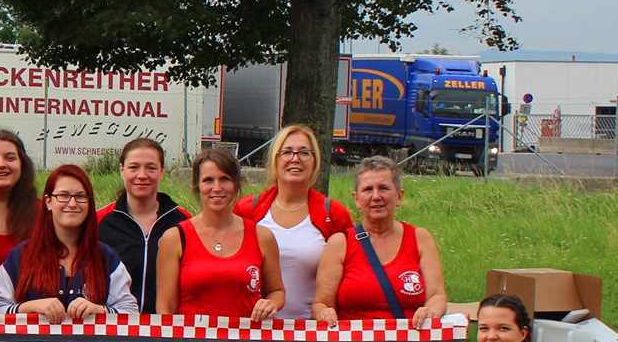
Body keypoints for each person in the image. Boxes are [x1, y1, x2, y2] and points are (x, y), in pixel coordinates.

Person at [233, 124, 353, 320]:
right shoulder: (248, 210)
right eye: (287, 152)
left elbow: (352, 273)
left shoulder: (333, 214)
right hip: (256, 329)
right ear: (275, 160)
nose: (295, 158)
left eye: (304, 152)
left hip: (312, 331)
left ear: (315, 162)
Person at [311, 156, 447, 326]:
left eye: (383, 188)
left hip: (409, 340)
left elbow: (437, 296)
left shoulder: (420, 239)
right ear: (356, 199)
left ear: (399, 196)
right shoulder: (340, 244)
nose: (376, 196)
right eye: (368, 189)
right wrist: (324, 313)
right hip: (354, 341)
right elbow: (321, 303)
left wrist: (431, 311)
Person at [0, 165, 137, 319]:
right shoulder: (20, 256)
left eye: (80, 196)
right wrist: (29, 307)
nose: (72, 203)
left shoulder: (106, 258)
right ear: (48, 202)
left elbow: (131, 312)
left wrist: (100, 310)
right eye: (63, 195)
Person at [156, 148, 283, 321]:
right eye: (208, 180)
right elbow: (165, 309)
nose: (217, 188)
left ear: (236, 185)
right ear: (197, 186)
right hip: (192, 338)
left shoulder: (262, 237)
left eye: (224, 179)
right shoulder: (175, 238)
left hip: (247, 337)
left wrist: (271, 303)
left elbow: (276, 291)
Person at [98, 137, 192, 315]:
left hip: (167, 327)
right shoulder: (99, 221)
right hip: (113, 326)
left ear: (162, 171)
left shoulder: (184, 222)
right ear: (122, 170)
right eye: (134, 167)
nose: (142, 175)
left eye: (151, 168)